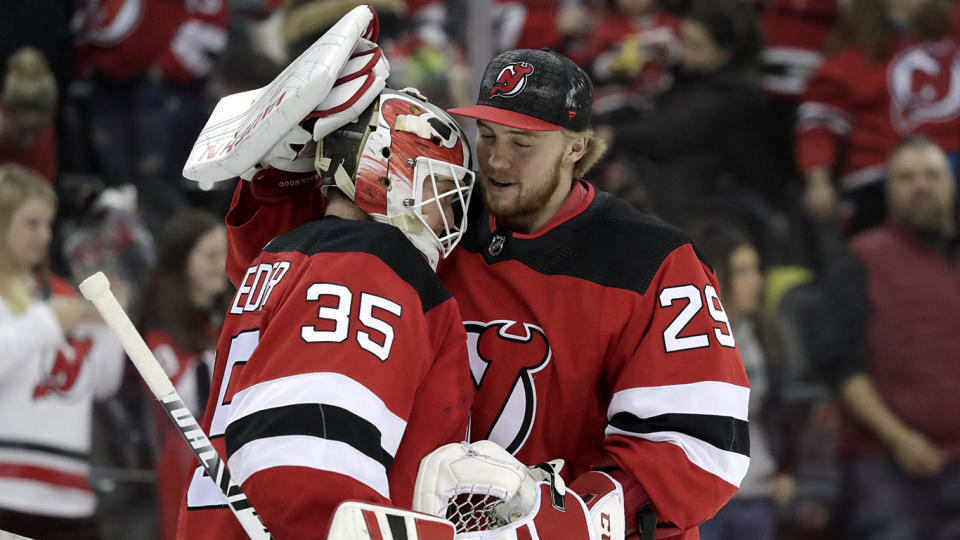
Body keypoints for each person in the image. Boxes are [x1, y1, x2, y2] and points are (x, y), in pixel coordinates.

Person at [440, 48, 750, 538]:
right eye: (487, 136)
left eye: (522, 143)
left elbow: (701, 445)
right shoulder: (439, 230)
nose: (496, 159)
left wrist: (576, 515)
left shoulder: (655, 261)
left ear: (576, 149)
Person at [176, 88, 476, 539]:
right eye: (441, 187)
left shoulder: (278, 257)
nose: (450, 214)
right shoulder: (375, 265)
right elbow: (304, 456)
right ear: (389, 173)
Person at [817, 136, 960, 539]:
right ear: (889, 191)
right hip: (882, 459)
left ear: (950, 183)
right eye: (906, 177)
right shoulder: (859, 259)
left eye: (932, 174)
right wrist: (899, 439)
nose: (921, 185)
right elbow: (843, 368)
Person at [0, 163, 123, 539]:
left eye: (47, 224)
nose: (44, 236)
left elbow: (104, 384)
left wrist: (111, 317)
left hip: (73, 499)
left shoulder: (66, 296)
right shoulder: (55, 309)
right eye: (31, 224)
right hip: (8, 495)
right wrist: (53, 321)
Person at [796, 0, 960, 233]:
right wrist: (818, 182)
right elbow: (819, 124)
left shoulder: (952, 37)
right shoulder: (853, 57)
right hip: (881, 177)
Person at [691, 223, 795, 540]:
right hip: (703, 497)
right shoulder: (687, 339)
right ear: (715, 275)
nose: (756, 281)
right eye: (742, 271)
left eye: (756, 270)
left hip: (757, 491)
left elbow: (783, 411)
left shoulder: (766, 333)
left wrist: (789, 469)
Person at [139, 209, 230, 540]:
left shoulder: (229, 319)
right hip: (187, 474)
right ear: (182, 262)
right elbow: (179, 402)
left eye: (225, 252)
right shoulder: (158, 336)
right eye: (210, 255)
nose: (221, 263)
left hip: (233, 469)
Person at [0, 46, 57, 181]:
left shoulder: (47, 134)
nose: (29, 141)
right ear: (4, 110)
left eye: (37, 131)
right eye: (22, 131)